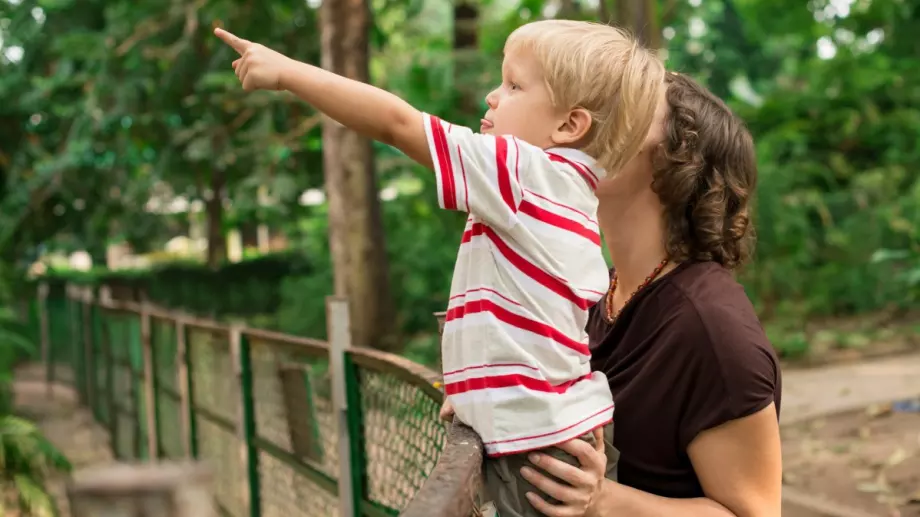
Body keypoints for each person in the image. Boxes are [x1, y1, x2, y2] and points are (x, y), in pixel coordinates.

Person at [213, 21, 666, 517]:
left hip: (538, 448)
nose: (494, 97)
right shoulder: (572, 195)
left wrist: (287, 73)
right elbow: (536, 327)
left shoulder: (525, 172)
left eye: (515, 86)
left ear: (569, 126)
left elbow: (397, 124)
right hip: (556, 432)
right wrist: (479, 391)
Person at [516, 72, 783, 517]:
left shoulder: (711, 330)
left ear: (675, 161)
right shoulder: (598, 291)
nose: (589, 118)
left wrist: (603, 500)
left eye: (628, 108)